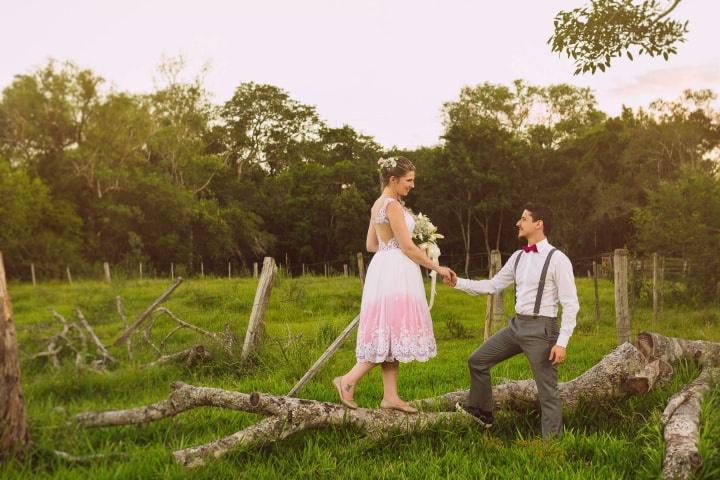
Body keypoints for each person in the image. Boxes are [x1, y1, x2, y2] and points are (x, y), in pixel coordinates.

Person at [333, 156, 456, 413]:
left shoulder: (378, 205)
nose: (412, 185)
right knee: (390, 334)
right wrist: (437, 266)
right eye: (408, 180)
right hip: (396, 273)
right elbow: (408, 247)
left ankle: (390, 396)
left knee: (392, 332)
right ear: (393, 179)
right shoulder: (393, 207)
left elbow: (371, 245)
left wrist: (393, 249)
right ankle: (347, 380)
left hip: (383, 269)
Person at [445, 203, 579, 437]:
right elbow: (492, 285)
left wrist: (562, 342)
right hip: (516, 326)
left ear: (539, 224)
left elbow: (571, 304)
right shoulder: (518, 257)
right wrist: (458, 282)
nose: (518, 223)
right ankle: (482, 413)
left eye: (524, 219)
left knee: (547, 392)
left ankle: (552, 444)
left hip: (542, 329)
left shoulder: (558, 259)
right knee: (477, 360)